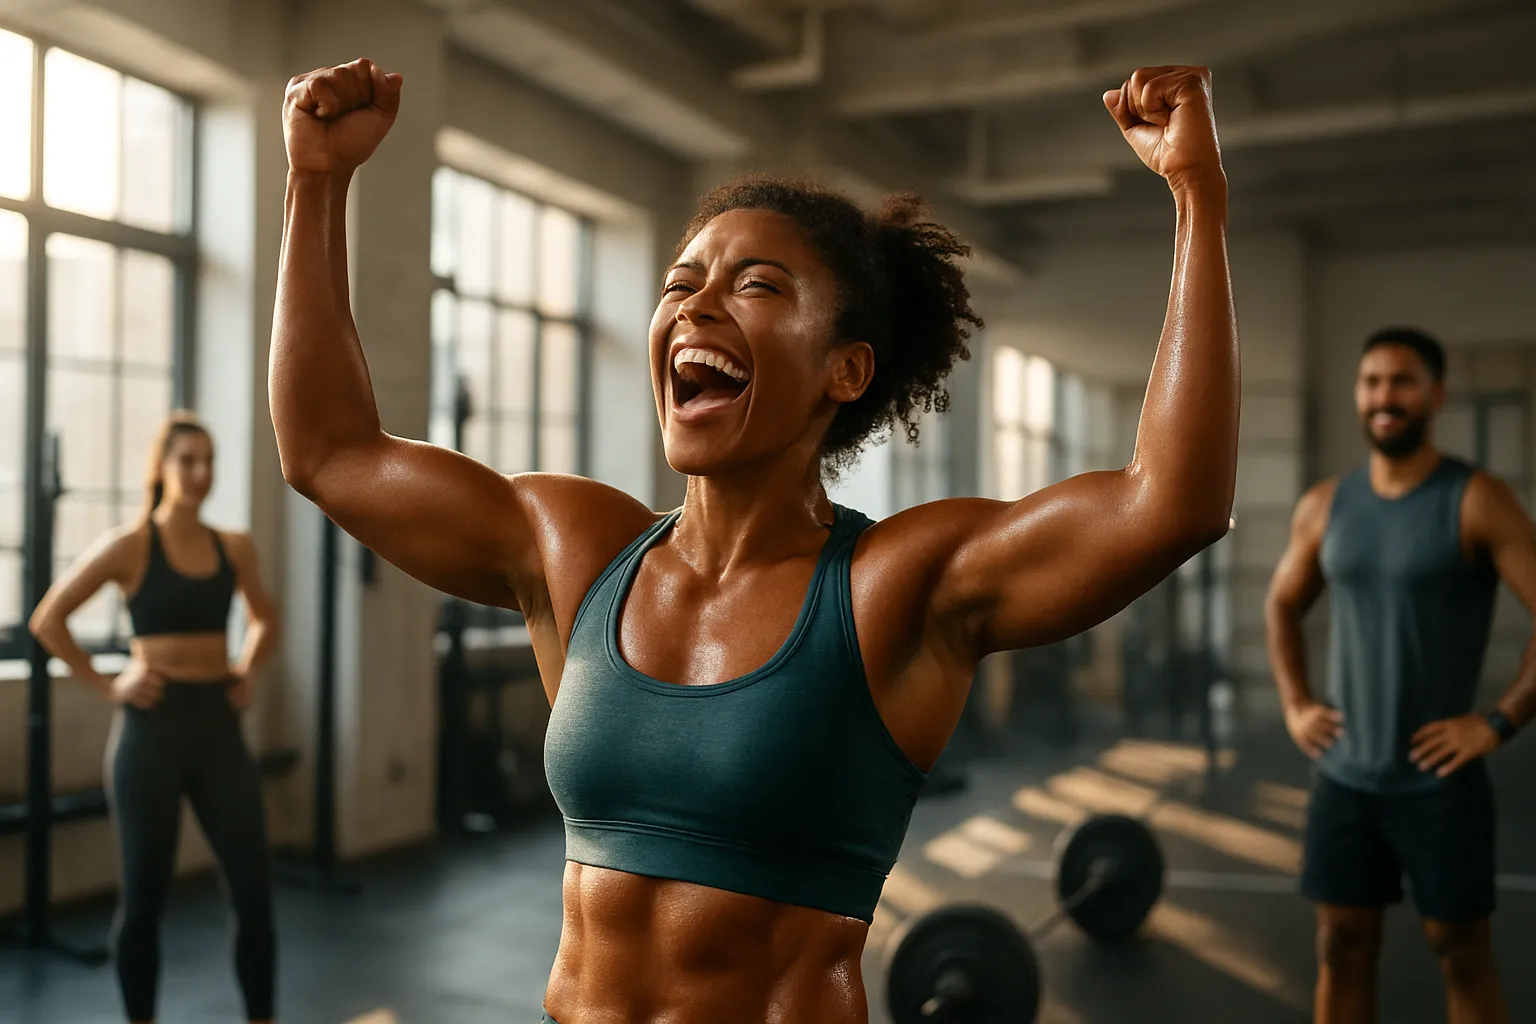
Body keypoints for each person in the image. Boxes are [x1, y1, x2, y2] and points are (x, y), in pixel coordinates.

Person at [273, 59, 1237, 1024]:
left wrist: (1197, 196)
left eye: (757, 286)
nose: (696, 304)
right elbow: (329, 449)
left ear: (845, 369)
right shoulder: (576, 552)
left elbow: (1169, 503)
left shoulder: (894, 586)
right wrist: (317, 181)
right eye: (681, 282)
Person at [1265, 327, 1536, 1024]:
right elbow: (1282, 604)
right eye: (1372, 382)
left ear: (1435, 395)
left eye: (1402, 381)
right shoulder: (1326, 505)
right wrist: (1296, 705)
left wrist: (1498, 721)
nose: (1385, 396)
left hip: (1439, 782)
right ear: (1359, 395)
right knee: (1342, 944)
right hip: (1345, 779)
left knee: (1460, 951)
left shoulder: (1477, 499)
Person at [29, 413, 282, 1024]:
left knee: (253, 893)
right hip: (152, 731)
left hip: (218, 727)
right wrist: (109, 683)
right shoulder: (131, 545)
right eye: (186, 461)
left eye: (208, 461)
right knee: (144, 900)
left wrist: (246, 669)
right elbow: (47, 620)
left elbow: (265, 619)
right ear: (162, 469)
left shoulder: (234, 546)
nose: (199, 474)